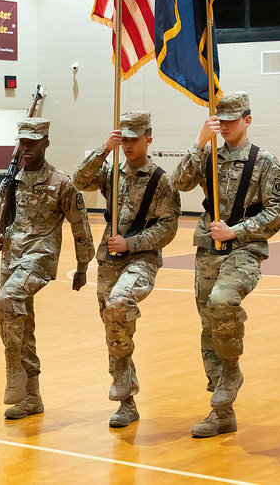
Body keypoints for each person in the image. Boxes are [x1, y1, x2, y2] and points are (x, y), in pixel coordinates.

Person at [172, 92, 280, 438]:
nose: (224, 126)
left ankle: (232, 371)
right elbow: (178, 183)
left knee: (223, 303)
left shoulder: (265, 161)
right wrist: (199, 141)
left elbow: (278, 211)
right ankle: (221, 411)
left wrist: (236, 230)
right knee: (209, 324)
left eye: (231, 120)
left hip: (245, 249)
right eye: (219, 120)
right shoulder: (208, 154)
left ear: (247, 120)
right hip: (209, 249)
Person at [73, 111, 181, 428]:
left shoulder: (161, 181)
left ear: (148, 138)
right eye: (125, 139)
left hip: (141, 258)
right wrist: (104, 149)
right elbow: (79, 180)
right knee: (113, 326)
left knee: (119, 305)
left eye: (135, 139)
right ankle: (126, 403)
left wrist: (132, 244)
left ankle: (125, 393)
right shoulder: (111, 172)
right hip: (108, 261)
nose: (130, 145)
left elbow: (169, 227)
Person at [0, 117, 95, 420]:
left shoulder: (60, 182)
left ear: (46, 142)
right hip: (11, 258)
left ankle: (13, 369)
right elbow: (4, 224)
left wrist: (82, 266)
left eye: (34, 142)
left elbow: (79, 224)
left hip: (39, 258)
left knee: (5, 300)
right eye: (23, 142)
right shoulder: (11, 182)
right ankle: (32, 396)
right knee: (21, 323)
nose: (28, 147)